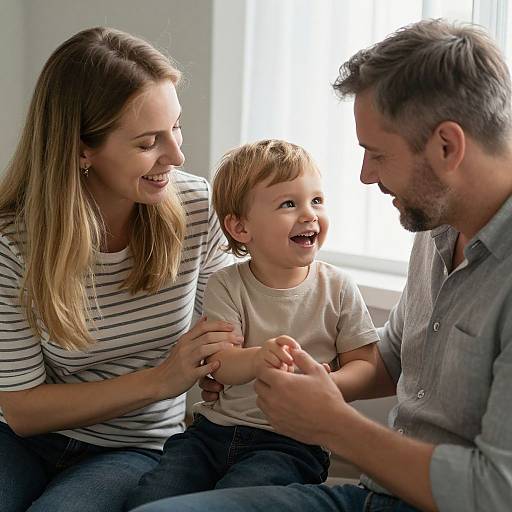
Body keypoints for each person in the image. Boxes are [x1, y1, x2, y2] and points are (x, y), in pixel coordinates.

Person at [131, 19, 512, 512]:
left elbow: (497, 493)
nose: (365, 175)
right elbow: (390, 361)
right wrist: (291, 380)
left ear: (447, 146)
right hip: (372, 495)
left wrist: (329, 422)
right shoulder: (440, 226)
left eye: (377, 154)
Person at [0, 27, 238, 512]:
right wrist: (161, 380)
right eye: (149, 141)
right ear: (82, 149)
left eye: (176, 126)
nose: (177, 155)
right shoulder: (12, 244)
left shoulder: (196, 209)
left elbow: (229, 329)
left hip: (135, 446)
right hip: (18, 441)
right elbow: (21, 409)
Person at [125, 139, 380, 510]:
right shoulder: (227, 284)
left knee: (238, 497)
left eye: (317, 200)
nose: (309, 214)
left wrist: (329, 384)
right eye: (288, 204)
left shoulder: (337, 287)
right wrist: (259, 358)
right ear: (241, 227)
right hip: (212, 433)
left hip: (290, 442)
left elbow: (367, 365)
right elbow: (220, 364)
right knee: (152, 496)